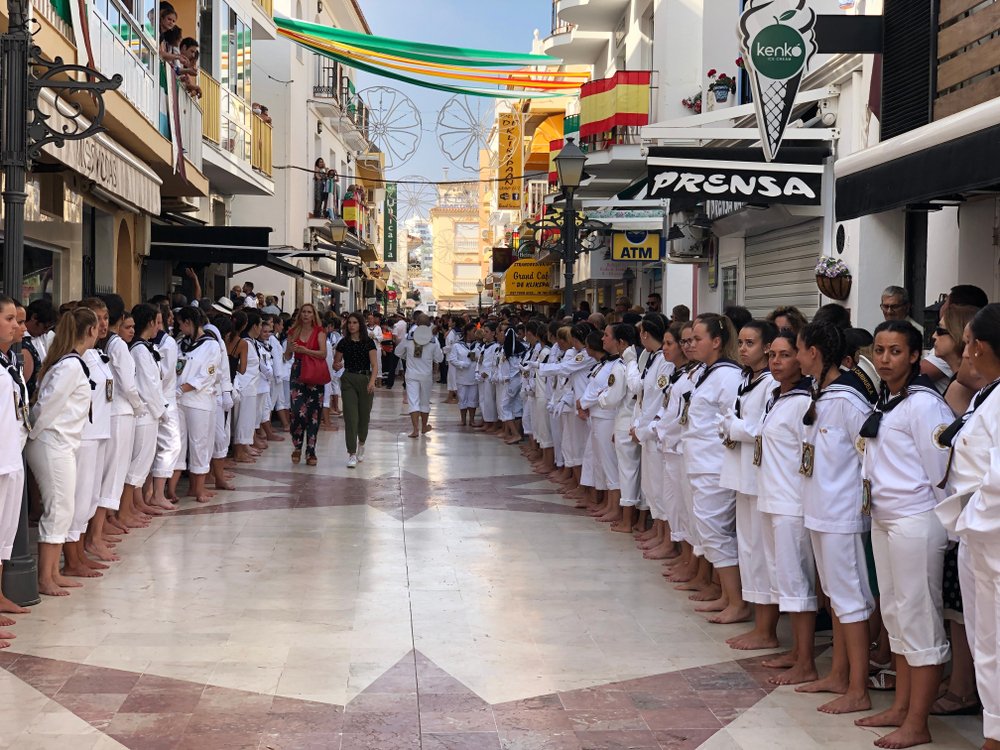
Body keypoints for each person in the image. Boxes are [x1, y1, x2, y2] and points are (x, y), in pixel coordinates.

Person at [853, 321, 953, 748]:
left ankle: (918, 722)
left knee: (918, 615)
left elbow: (942, 474)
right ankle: (900, 705)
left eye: (895, 351)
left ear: (915, 356)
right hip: (884, 516)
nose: (884, 359)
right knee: (893, 612)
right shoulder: (888, 399)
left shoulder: (924, 405)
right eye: (879, 350)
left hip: (916, 518)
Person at [795, 321, 875, 714]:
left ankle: (858, 687)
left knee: (851, 601)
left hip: (841, 514)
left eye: (798, 349)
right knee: (836, 600)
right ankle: (839, 674)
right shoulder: (821, 392)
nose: (795, 357)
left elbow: (870, 453)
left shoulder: (847, 399)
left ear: (814, 352)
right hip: (819, 511)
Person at [936, 304, 1000, 750]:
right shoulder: (986, 395)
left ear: (977, 345)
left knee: (995, 639)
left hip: (991, 535)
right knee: (983, 638)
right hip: (975, 535)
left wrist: (971, 516)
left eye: (968, 340)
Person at [755, 331, 817, 686]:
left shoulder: (803, 401)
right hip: (771, 497)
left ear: (802, 358)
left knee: (797, 584)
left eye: (785, 355)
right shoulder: (778, 397)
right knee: (782, 579)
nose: (776, 361)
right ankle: (796, 652)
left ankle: (806, 660)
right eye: (772, 355)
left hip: (792, 503)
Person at [26, 307, 100, 597]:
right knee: (59, 510)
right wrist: (31, 434)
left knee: (63, 509)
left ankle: (53, 572)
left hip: (60, 443)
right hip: (51, 442)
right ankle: (46, 577)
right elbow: (47, 405)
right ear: (91, 331)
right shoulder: (70, 366)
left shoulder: (72, 363)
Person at [683, 314, 746, 623]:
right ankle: (725, 594)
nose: (691, 344)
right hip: (701, 462)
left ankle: (737, 601)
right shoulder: (707, 373)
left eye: (698, 339)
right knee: (707, 531)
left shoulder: (728, 375)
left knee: (715, 532)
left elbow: (730, 420)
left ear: (717, 342)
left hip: (715, 465)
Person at [721, 320, 778, 650]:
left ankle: (766, 628)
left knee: (760, 553)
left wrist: (734, 426)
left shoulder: (771, 383)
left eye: (751, 343)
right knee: (748, 549)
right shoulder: (748, 379)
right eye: (740, 342)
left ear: (768, 347)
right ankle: (759, 622)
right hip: (742, 474)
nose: (743, 348)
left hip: (760, 479)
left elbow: (761, 430)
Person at [0, 296, 30, 640]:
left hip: (11, 452)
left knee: (4, 533)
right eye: (9, 319)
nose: (16, 324)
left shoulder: (11, 360)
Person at [631, 315, 675, 548]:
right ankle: (658, 531)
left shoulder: (664, 363)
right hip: (646, 429)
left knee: (659, 488)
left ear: (645, 334)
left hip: (655, 432)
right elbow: (643, 397)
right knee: (650, 485)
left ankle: (664, 537)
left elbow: (657, 401)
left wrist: (643, 429)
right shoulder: (651, 359)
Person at [174, 307, 219, 503]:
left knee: (200, 444)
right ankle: (171, 490)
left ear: (189, 322)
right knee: (178, 444)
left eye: (181, 324)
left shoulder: (211, 346)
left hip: (199, 401)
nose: (179, 328)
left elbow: (207, 375)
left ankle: (198, 488)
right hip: (178, 401)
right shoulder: (179, 343)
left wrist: (182, 388)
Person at [285, 304, 328, 466]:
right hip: (297, 372)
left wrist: (305, 350)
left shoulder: (319, 332)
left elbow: (323, 354)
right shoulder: (292, 332)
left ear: (314, 315)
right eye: (303, 311)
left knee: (314, 413)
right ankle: (297, 445)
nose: (306, 315)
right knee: (297, 411)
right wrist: (290, 348)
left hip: (315, 373)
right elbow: (287, 356)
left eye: (309, 312)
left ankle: (311, 450)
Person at [334, 312, 377, 467]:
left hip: (365, 380)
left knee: (364, 416)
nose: (351, 325)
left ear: (360, 325)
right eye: (349, 323)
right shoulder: (343, 343)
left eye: (355, 322)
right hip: (348, 379)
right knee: (351, 417)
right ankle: (351, 453)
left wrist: (372, 381)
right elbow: (336, 362)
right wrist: (337, 365)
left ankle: (362, 442)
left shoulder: (368, 343)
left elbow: (374, 365)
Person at [397, 313, 443, 438]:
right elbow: (439, 358)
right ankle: (424, 426)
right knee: (424, 402)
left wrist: (407, 356)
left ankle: (415, 429)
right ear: (429, 324)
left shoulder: (408, 337)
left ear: (416, 323)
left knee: (413, 401)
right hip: (426, 375)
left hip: (411, 374)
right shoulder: (434, 340)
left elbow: (398, 352)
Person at [232, 311, 261, 464]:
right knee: (241, 420)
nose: (261, 328)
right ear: (253, 326)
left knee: (247, 419)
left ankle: (244, 447)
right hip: (245, 385)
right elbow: (239, 365)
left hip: (251, 385)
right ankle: (239, 451)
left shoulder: (251, 342)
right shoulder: (245, 342)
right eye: (260, 325)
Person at [449, 322, 480, 427]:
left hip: (474, 376)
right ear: (467, 332)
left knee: (473, 398)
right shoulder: (457, 345)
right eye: (473, 331)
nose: (475, 333)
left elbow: (482, 358)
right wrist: (462, 364)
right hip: (462, 375)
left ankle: (472, 420)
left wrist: (476, 359)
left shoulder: (478, 345)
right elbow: (452, 359)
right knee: (462, 398)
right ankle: (463, 420)